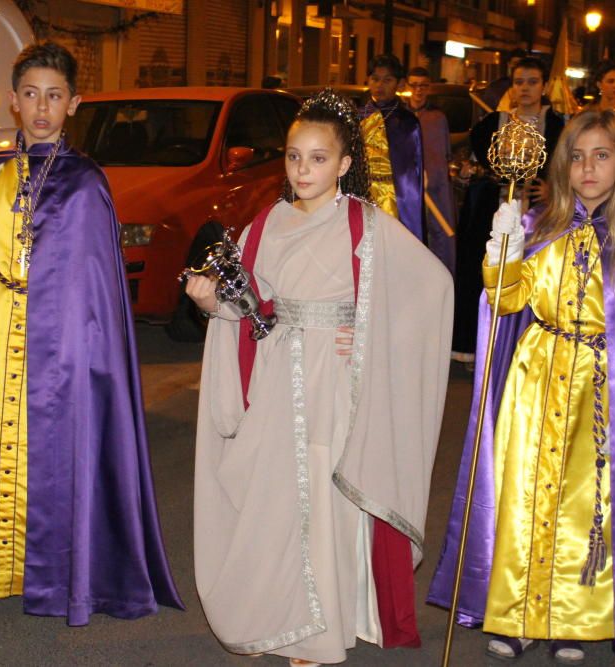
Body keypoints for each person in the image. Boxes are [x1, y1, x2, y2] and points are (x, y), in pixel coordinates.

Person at [428, 111, 615, 667]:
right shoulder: (538, 229)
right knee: (523, 496)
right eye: (578, 156)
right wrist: (502, 253)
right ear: (561, 166)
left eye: (601, 155)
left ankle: (573, 620)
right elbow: (507, 301)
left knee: (589, 507)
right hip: (536, 385)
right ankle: (515, 617)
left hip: (603, 392)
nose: (588, 167)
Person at [188, 89, 453, 666]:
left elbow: (431, 288)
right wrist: (213, 303)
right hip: (280, 375)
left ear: (344, 165)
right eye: (293, 157)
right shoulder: (266, 223)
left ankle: (322, 629)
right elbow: (250, 305)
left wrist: (368, 331)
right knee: (279, 494)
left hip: (337, 381)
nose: (303, 170)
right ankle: (281, 613)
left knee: (324, 497)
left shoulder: (366, 224)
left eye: (318, 158)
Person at [0, 42, 183, 624]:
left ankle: (59, 571)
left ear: (74, 103)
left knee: (56, 456)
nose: (42, 108)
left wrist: (80, 350)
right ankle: (1, 566)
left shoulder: (86, 183)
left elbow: (93, 286)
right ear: (14, 101)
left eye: (55, 95)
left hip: (61, 345)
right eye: (30, 94)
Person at [451, 57, 565, 363]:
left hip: (538, 219)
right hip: (494, 216)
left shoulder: (558, 126)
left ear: (543, 86)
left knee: (530, 281)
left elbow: (571, 169)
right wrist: (469, 171)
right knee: (489, 277)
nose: (525, 88)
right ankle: (482, 346)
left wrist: (554, 191)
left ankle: (524, 349)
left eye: (532, 82)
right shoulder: (493, 124)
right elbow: (473, 162)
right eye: (519, 82)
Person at [359, 54, 427, 244]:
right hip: (362, 200)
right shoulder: (358, 118)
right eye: (375, 79)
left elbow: (411, 174)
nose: (380, 85)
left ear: (399, 84)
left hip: (397, 201)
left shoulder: (407, 123)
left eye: (387, 80)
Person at [406, 66, 456, 273]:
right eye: (415, 85)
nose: (419, 90)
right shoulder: (400, 117)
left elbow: (444, 156)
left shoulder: (437, 118)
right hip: (408, 191)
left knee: (439, 242)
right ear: (407, 87)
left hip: (436, 190)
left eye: (423, 86)